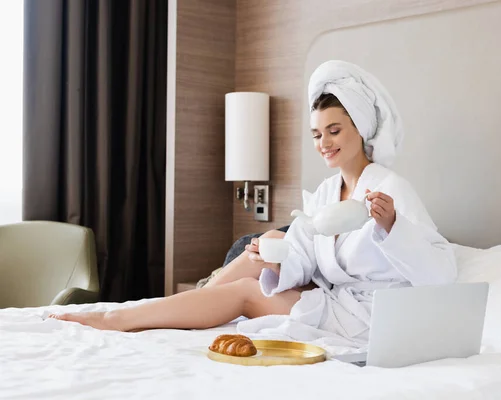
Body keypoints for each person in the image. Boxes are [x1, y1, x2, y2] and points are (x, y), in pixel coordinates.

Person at [50, 61, 456, 345]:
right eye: (316, 134)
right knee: (253, 257)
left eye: (334, 130)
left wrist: (391, 227)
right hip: (335, 305)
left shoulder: (391, 189)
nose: (324, 143)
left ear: (359, 129)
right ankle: (150, 313)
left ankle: (122, 318)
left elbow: (442, 273)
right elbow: (304, 254)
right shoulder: (327, 192)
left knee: (245, 292)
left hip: (372, 320)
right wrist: (277, 259)